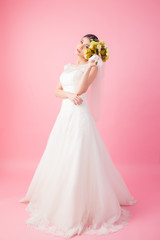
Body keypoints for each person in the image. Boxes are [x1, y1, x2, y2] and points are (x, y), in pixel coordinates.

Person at [19, 34, 137, 238]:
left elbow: (82, 88)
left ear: (92, 51)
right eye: (80, 43)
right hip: (65, 114)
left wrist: (91, 66)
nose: (80, 48)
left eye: (86, 47)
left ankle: (75, 207)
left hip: (80, 115)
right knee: (60, 154)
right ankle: (55, 198)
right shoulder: (67, 66)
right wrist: (69, 94)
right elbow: (57, 91)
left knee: (78, 155)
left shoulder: (92, 68)